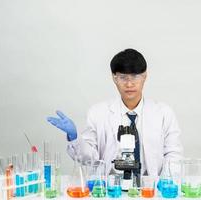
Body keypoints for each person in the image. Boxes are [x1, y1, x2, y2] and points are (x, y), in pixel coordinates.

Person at [47, 48, 183, 177]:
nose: (129, 84)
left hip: (151, 188)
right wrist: (74, 138)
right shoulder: (98, 113)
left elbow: (173, 154)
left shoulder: (164, 113)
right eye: (123, 77)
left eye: (135, 76)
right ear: (114, 78)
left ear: (145, 77)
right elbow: (88, 158)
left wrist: (165, 182)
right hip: (112, 188)